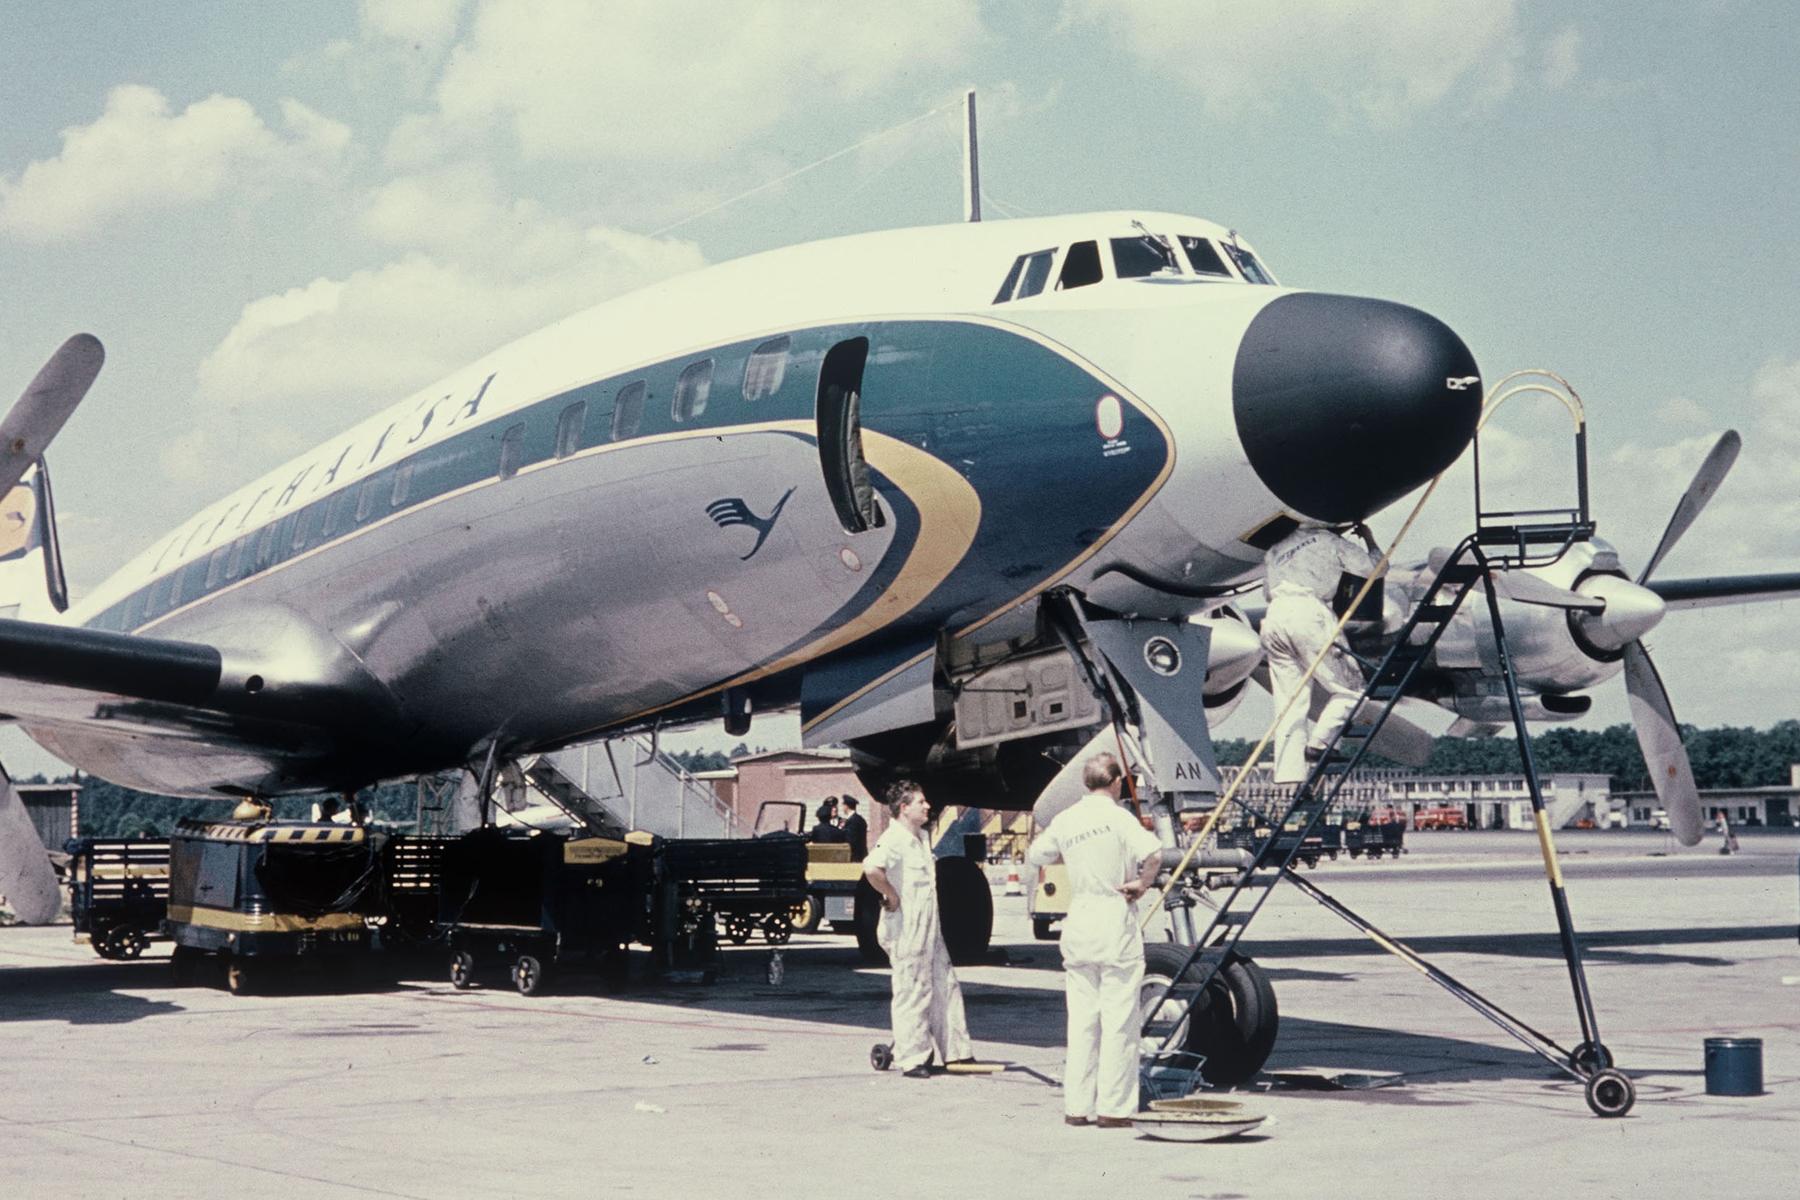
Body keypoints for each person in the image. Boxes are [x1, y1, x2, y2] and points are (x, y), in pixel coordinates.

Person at [1025, 751, 1163, 1127]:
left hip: (1080, 917)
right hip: (1113, 915)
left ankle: (1077, 1107)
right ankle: (1113, 1109)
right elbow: (1154, 852)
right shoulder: (1120, 817)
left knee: (1082, 1020)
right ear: (1117, 782)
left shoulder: (1067, 818)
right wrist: (1142, 883)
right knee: (1119, 1020)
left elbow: (1037, 852)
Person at [862, 781, 973, 1078]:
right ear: (904, 808)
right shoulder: (894, 839)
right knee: (912, 990)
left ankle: (957, 1053)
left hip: (929, 927)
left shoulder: (921, 837)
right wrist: (891, 895)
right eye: (921, 802)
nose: (927, 806)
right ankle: (912, 1059)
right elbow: (872, 868)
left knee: (944, 984)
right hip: (906, 926)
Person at [1259, 522, 1380, 785]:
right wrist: (1369, 539)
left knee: (1289, 702)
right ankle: (1320, 742)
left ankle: (1289, 773)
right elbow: (1376, 569)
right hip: (1309, 613)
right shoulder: (1329, 541)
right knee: (1351, 689)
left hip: (1275, 616)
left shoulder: (1276, 549)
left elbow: (1267, 591)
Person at [840, 797, 869, 862]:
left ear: (846, 806)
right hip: (861, 856)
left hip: (855, 858)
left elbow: (851, 842)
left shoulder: (852, 821)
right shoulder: (860, 819)